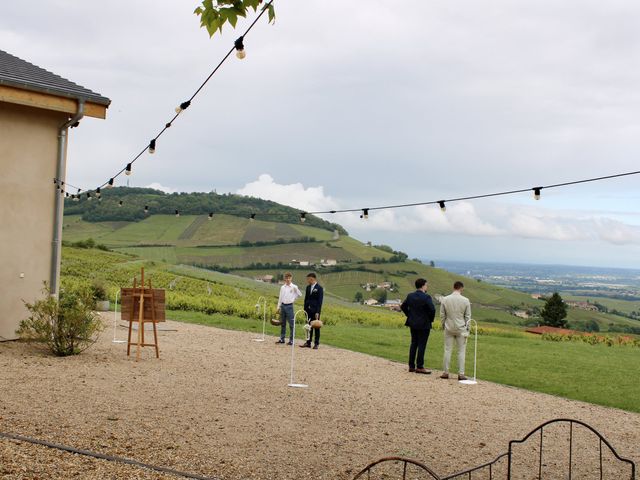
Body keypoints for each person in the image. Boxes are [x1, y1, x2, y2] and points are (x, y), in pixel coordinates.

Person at [400, 278, 436, 374]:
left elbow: (403, 306)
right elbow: (432, 309)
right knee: (422, 345)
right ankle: (420, 367)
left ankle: (411, 366)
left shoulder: (410, 296)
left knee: (414, 343)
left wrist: (410, 315)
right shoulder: (426, 297)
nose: (427, 287)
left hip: (412, 323)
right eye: (426, 285)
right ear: (423, 286)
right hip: (424, 324)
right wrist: (430, 319)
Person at [440, 281, 472, 381]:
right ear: (461, 288)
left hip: (448, 327)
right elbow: (468, 317)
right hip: (461, 328)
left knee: (447, 350)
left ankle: (445, 372)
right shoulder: (466, 300)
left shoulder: (445, 299)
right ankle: (461, 374)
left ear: (453, 287)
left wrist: (443, 325)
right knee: (461, 351)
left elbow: (442, 315)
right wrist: (468, 329)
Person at [276, 272, 302, 345]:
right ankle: (282, 339)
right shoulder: (282, 287)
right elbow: (280, 298)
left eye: (289, 278)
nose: (288, 279)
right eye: (286, 278)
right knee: (282, 323)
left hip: (290, 306)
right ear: (285, 278)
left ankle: (291, 340)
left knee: (291, 324)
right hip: (283, 306)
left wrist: (294, 298)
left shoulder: (294, 287)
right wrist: (278, 307)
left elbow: (300, 294)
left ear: (291, 278)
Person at [300, 272, 324, 349]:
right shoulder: (307, 287)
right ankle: (308, 342)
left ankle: (316, 343)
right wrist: (305, 309)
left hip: (315, 311)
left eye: (308, 279)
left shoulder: (319, 288)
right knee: (308, 327)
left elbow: (320, 301)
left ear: (312, 279)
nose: (307, 281)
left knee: (316, 327)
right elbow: (306, 299)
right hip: (308, 310)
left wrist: (318, 312)